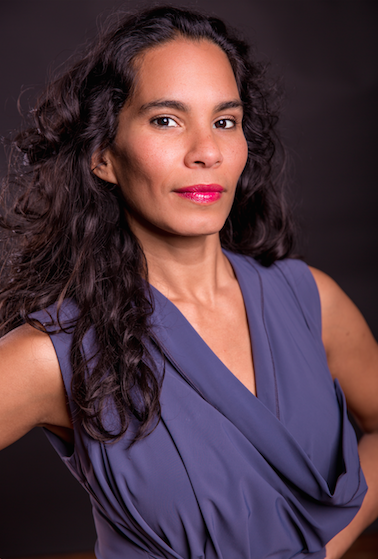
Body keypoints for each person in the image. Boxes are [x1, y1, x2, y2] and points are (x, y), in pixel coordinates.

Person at [0, 5, 377, 559]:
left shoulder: (310, 299)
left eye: (225, 121)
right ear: (102, 155)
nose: (206, 151)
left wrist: (329, 540)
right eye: (166, 120)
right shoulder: (53, 353)